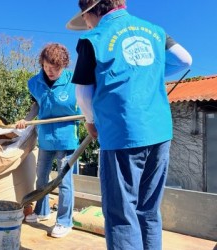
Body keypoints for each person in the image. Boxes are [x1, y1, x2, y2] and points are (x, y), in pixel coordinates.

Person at [67, 0, 192, 249]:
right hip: (159, 132)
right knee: (148, 210)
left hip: (121, 133)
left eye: (86, 19)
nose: (86, 25)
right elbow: (185, 60)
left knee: (122, 215)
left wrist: (91, 122)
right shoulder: (154, 30)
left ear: (92, 11)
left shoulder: (94, 38)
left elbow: (82, 93)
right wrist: (146, 70)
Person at [15, 43, 81, 238]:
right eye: (46, 67)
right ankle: (41, 211)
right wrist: (26, 120)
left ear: (64, 66)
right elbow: (37, 105)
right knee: (41, 176)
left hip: (66, 136)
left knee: (63, 180)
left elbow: (86, 102)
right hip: (45, 136)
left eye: (55, 68)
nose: (49, 71)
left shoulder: (75, 82)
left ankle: (64, 221)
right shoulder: (35, 82)